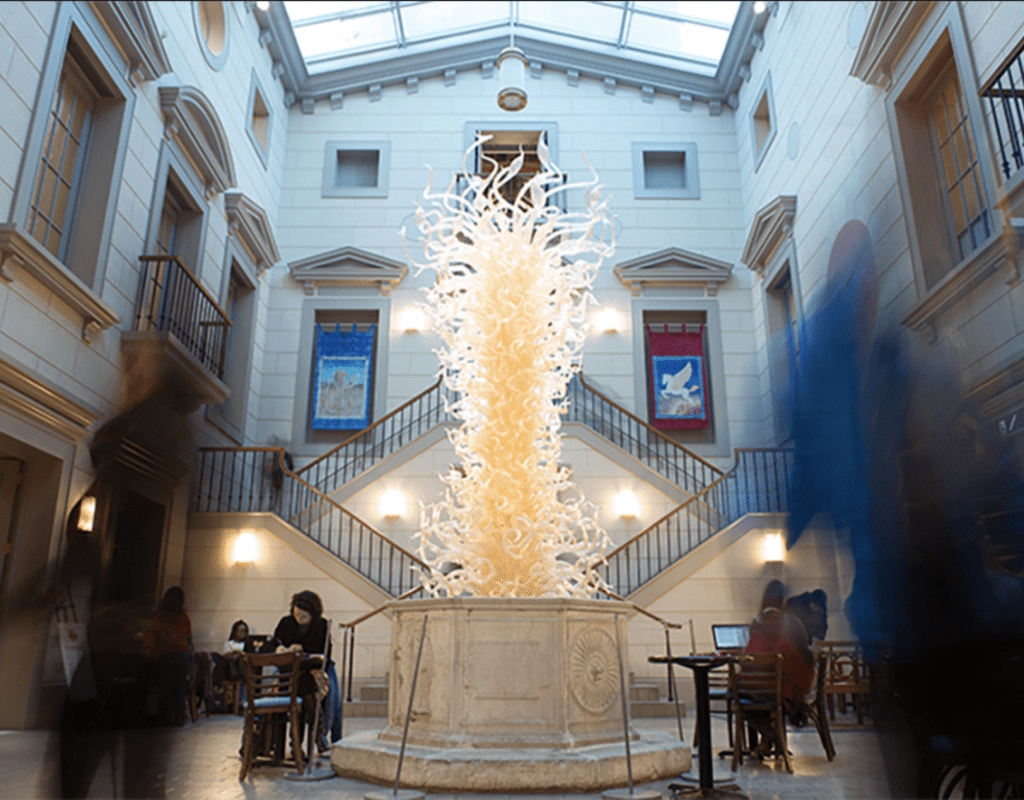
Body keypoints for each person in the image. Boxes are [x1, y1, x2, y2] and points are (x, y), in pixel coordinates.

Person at [743, 580, 815, 756]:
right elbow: (805, 655)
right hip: (793, 688)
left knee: (737, 697)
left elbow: (749, 659)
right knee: (770, 694)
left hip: (768, 688)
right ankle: (769, 743)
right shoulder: (794, 623)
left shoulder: (757, 624)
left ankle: (773, 738)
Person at [274, 590, 330, 752]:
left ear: (313, 614)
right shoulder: (286, 623)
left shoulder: (321, 625)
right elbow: (273, 645)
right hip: (289, 675)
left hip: (312, 673)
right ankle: (318, 733)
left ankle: (296, 745)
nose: (299, 619)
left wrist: (303, 652)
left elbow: (325, 656)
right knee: (304, 688)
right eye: (296, 614)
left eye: (304, 616)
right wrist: (283, 648)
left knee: (303, 685)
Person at [144, 586, 193, 726]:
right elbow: (189, 636)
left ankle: (166, 718)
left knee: (166, 686)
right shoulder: (184, 616)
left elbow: (152, 636)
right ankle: (178, 718)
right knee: (180, 687)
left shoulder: (159, 616)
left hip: (165, 654)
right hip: (183, 654)